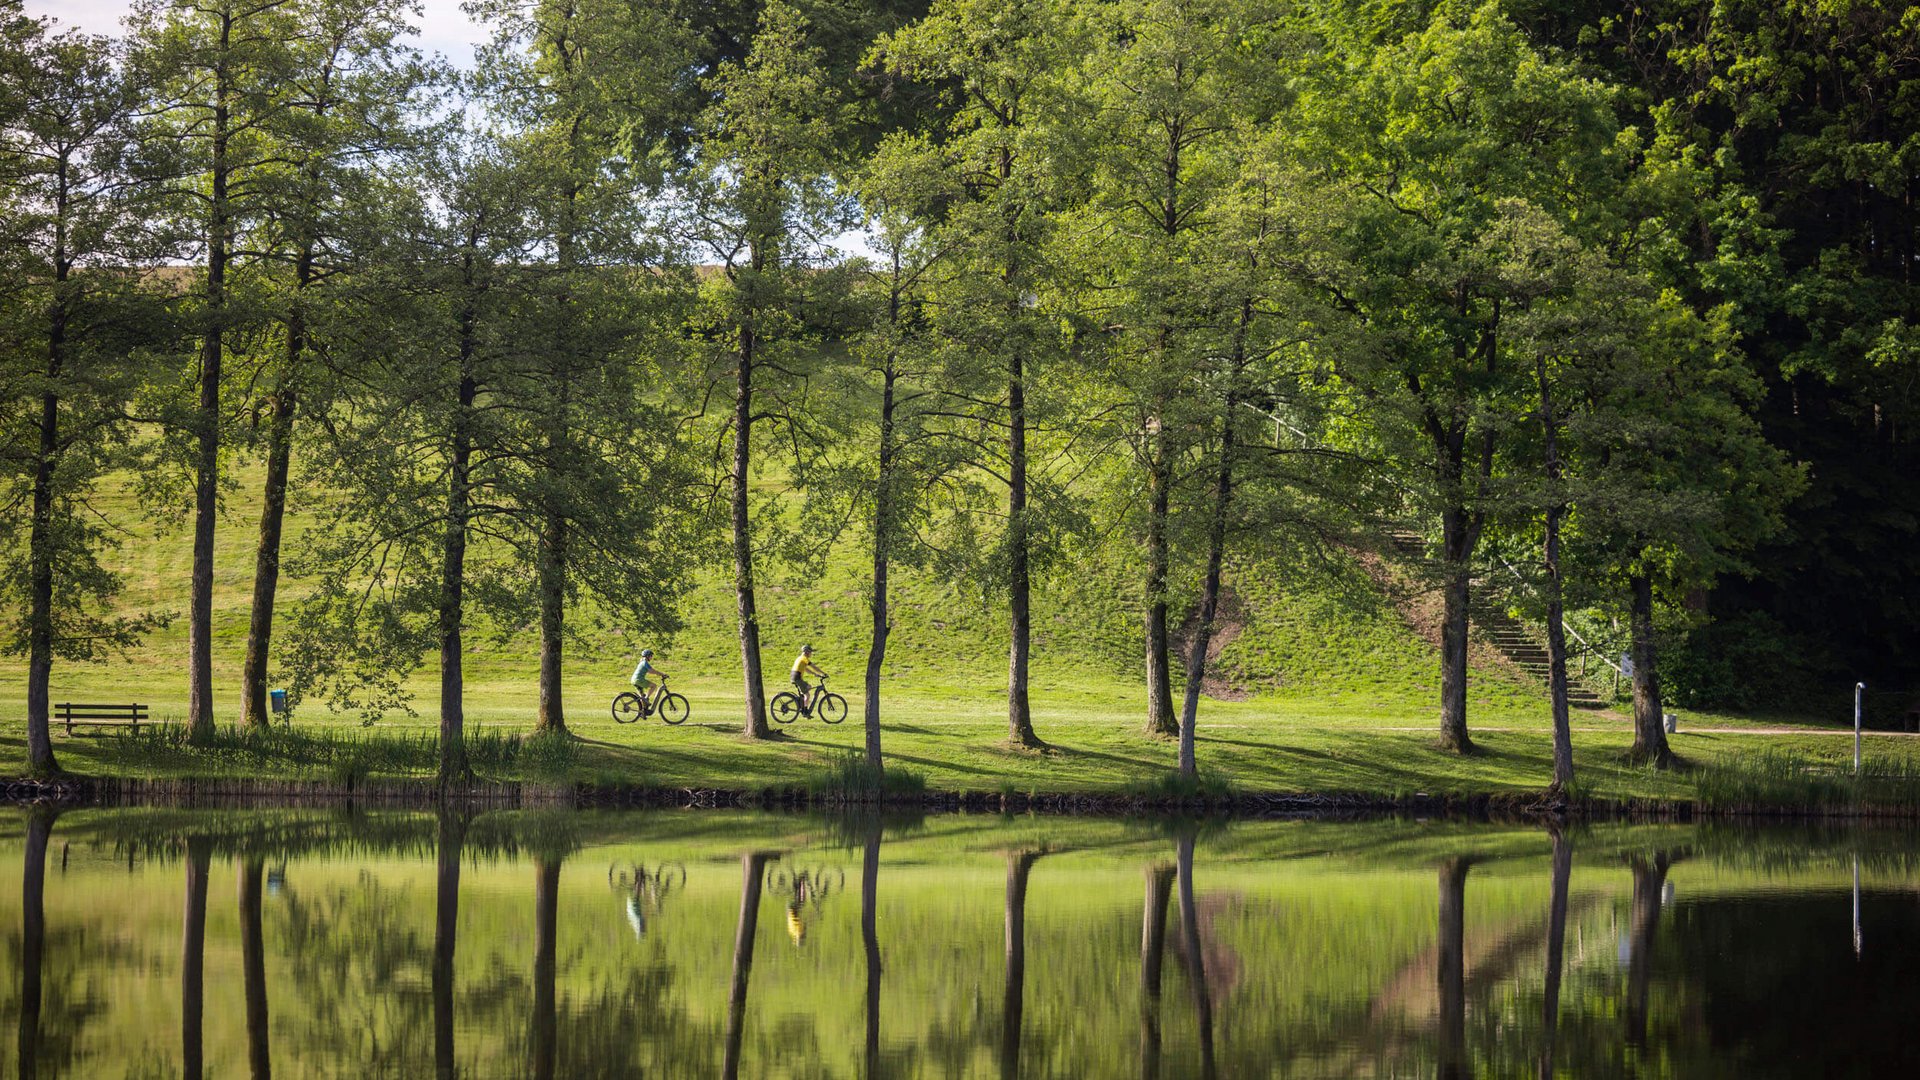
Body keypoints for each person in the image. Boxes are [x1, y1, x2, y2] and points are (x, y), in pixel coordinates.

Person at [791, 644, 827, 713]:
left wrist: (815, 674)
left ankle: (802, 703)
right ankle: (805, 711)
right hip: (797, 677)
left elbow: (806, 669)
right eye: (810, 652)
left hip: (794, 676)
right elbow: (814, 667)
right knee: (807, 695)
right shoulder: (804, 658)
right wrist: (823, 673)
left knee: (809, 687)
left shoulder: (800, 658)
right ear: (806, 652)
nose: (811, 654)